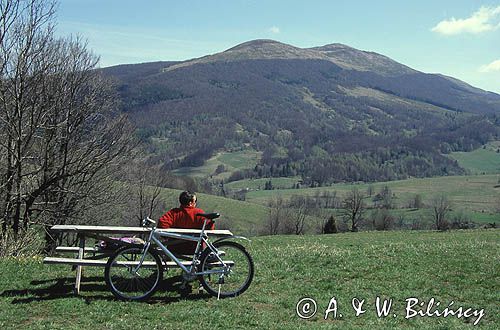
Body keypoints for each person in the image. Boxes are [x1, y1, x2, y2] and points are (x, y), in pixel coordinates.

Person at [158, 191, 214, 255]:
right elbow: (209, 228)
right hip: (195, 248)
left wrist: (170, 236)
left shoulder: (174, 213)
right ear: (190, 203)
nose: (195, 203)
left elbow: (162, 224)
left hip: (175, 248)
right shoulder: (198, 213)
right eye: (195, 201)